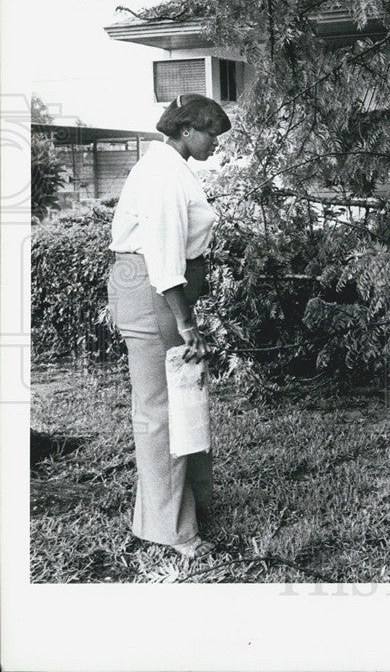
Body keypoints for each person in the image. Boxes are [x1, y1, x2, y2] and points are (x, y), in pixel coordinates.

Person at [107, 93, 230, 559]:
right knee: (162, 413)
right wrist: (186, 320)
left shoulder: (174, 169)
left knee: (183, 401)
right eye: (211, 134)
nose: (215, 144)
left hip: (162, 289)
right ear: (185, 131)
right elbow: (162, 257)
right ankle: (168, 528)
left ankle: (186, 510)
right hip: (155, 291)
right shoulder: (160, 174)